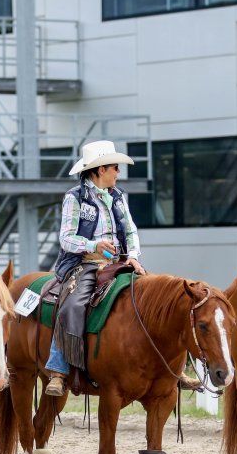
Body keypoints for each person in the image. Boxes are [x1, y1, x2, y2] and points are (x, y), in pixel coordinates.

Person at [43, 140, 201, 396]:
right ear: (99, 170)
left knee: (158, 303)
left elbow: (130, 230)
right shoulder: (74, 198)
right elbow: (66, 238)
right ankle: (58, 370)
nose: (118, 172)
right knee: (71, 306)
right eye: (114, 167)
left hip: (120, 263)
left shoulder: (118, 197)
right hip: (84, 264)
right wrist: (94, 244)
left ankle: (173, 369)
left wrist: (134, 256)